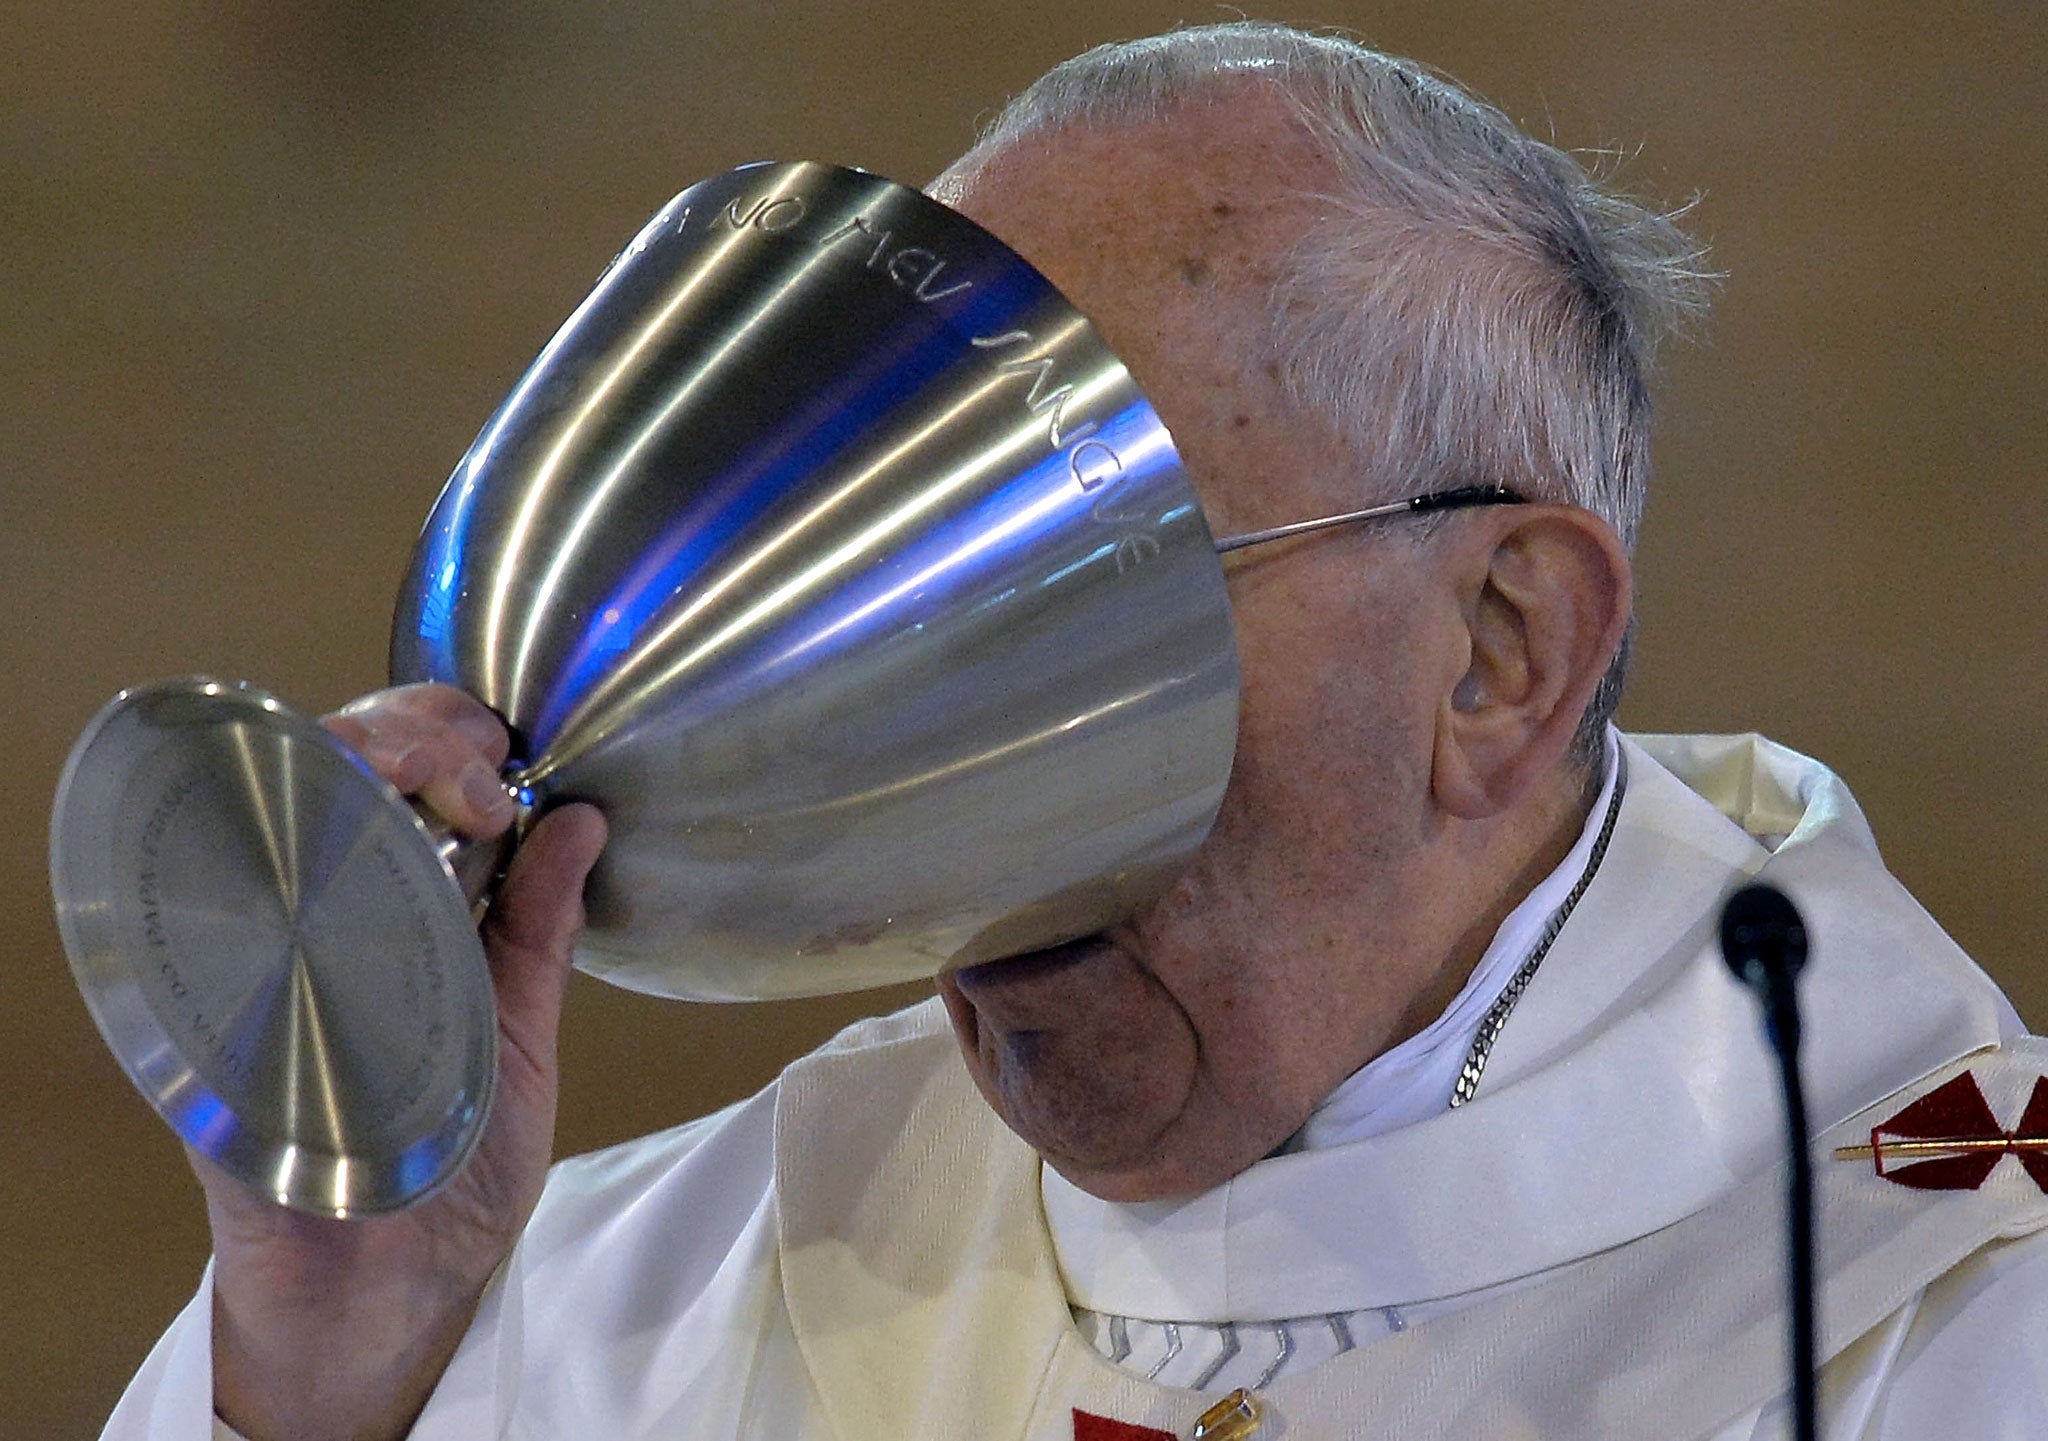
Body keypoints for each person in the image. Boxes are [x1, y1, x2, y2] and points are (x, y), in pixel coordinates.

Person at [105, 23, 2048, 1441]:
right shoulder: (659, 1289)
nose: (905, 736)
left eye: (1065, 583)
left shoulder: (1941, 1305)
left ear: (1497, 648)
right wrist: (340, 1359)